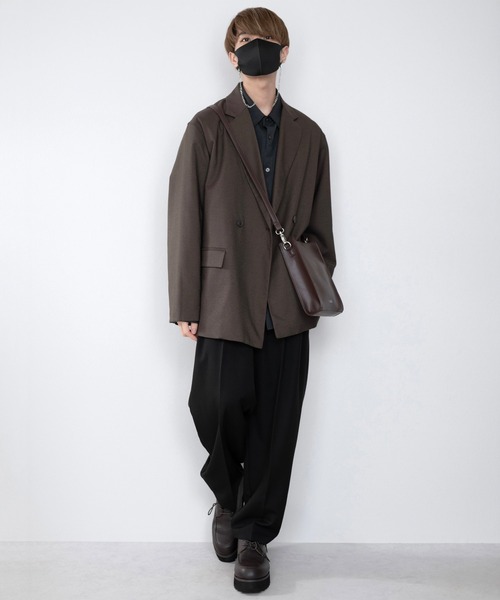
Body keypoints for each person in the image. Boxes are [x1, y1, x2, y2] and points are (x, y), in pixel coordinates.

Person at [168, 7, 338, 594]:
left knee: (276, 423)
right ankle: (230, 496)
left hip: (285, 305)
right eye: (246, 40)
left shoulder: (310, 136)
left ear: (284, 53)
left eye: (267, 40)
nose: (257, 48)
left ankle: (254, 538)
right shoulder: (206, 127)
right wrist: (185, 301)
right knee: (213, 405)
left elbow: (321, 229)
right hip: (223, 296)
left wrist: (312, 283)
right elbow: (184, 217)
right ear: (231, 55)